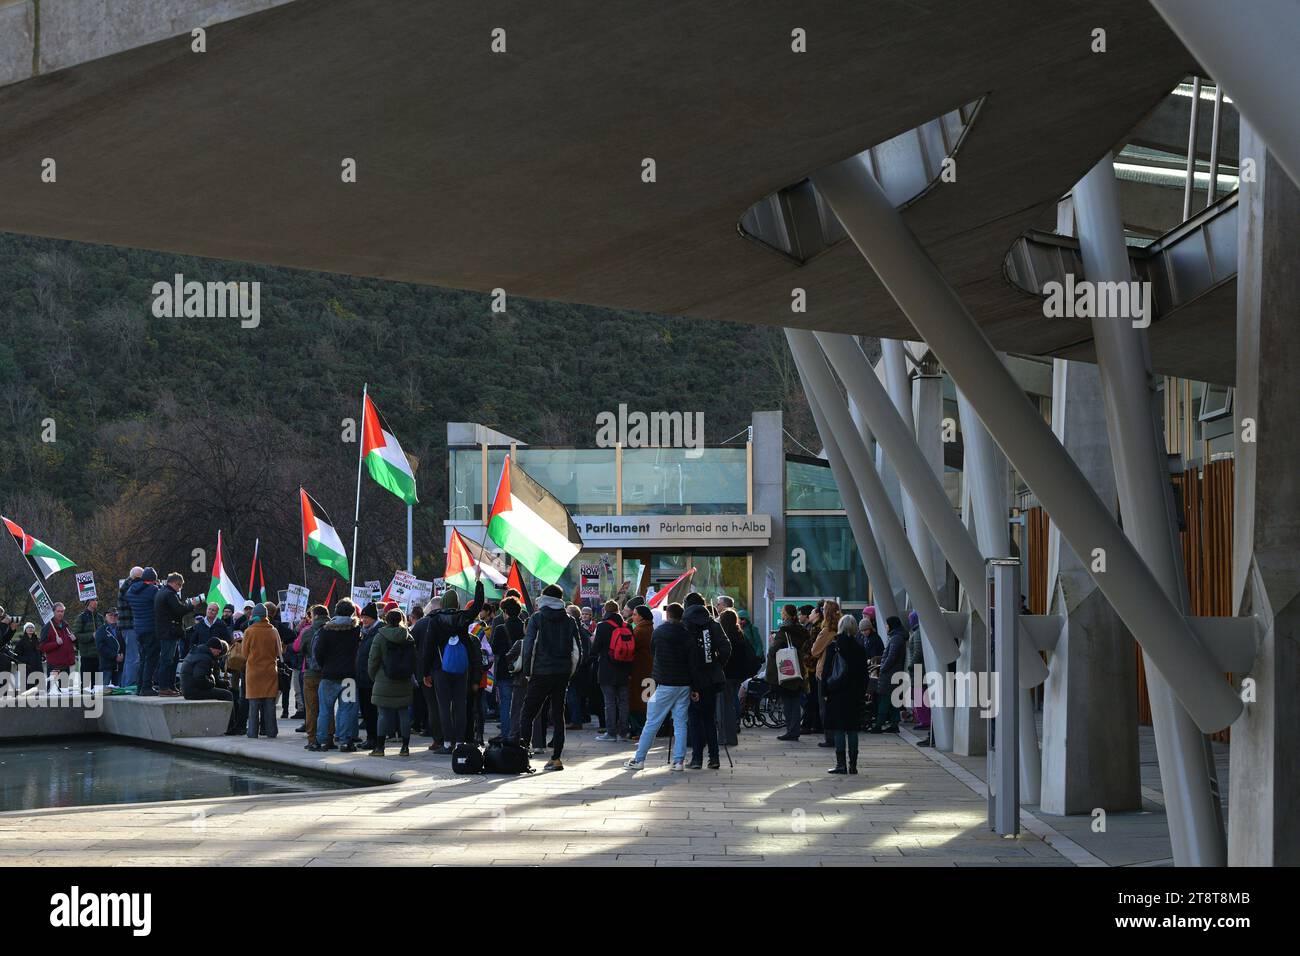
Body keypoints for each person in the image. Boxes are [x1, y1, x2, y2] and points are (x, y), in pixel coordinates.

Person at [513, 584, 583, 772]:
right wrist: (570, 672)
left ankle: (522, 755)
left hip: (540, 673)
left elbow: (529, 647)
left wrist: (527, 672)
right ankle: (556, 758)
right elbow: (577, 650)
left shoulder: (537, 618)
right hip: (561, 674)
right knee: (558, 715)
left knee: (528, 713)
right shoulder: (569, 620)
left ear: (544, 599)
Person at [624, 602, 695, 772]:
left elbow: (654, 652)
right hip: (684, 683)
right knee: (680, 723)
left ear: (668, 615)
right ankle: (679, 761)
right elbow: (692, 660)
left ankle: (639, 759)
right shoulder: (687, 633)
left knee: (652, 723)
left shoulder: (659, 632)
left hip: (665, 682)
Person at [419, 581, 485, 755]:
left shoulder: (434, 620)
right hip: (461, 668)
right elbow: (477, 606)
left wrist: (425, 672)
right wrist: (479, 584)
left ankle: (447, 743)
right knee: (460, 705)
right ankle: (461, 741)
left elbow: (428, 647)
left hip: (440, 669)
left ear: (442, 603)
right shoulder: (463, 618)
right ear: (457, 604)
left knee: (443, 706)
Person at [683, 592, 730, 770]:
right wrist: (717, 665)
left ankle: (696, 759)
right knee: (709, 719)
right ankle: (714, 757)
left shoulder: (685, 624)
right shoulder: (713, 624)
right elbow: (726, 647)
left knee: (694, 719)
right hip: (711, 678)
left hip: (691, 678)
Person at [311, 599, 361, 752]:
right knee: (347, 709)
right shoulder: (356, 630)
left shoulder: (325, 630)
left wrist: (324, 665)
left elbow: (317, 652)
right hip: (349, 677)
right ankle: (345, 742)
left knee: (325, 710)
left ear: (336, 611)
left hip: (328, 675)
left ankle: (321, 741)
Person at [823, 614, 869, 774]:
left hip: (837, 693)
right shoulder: (860, 648)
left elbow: (826, 671)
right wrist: (862, 692)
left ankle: (841, 764)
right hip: (854, 695)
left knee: (839, 729)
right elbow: (865, 675)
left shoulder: (834, 646)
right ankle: (853, 765)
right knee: (852, 729)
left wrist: (825, 692)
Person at [368, 608, 416, 756]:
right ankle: (405, 748)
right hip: (404, 680)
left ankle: (380, 748)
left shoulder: (380, 636)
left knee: (382, 714)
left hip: (384, 679)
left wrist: (374, 677)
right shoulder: (408, 637)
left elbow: (373, 660)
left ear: (386, 620)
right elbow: (414, 659)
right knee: (403, 714)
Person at [153, 571, 201, 697]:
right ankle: (164, 687)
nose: (180, 588)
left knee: (173, 659)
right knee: (167, 660)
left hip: (167, 631)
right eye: (179, 585)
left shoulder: (162, 592)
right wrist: (192, 605)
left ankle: (170, 685)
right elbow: (179, 610)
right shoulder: (169, 594)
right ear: (174, 583)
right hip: (169, 632)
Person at [591, 600, 633, 742]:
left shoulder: (602, 626)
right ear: (618, 611)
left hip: (607, 669)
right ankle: (623, 733)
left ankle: (611, 733)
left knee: (609, 702)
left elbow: (595, 649)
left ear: (605, 611)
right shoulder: (627, 626)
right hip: (625, 669)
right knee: (624, 702)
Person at [767, 603, 810, 741]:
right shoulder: (802, 630)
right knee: (795, 701)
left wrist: (773, 642)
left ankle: (791, 731)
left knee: (788, 702)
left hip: (786, 669)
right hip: (798, 668)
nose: (781, 614)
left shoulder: (784, 631)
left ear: (786, 614)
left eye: (783, 612)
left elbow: (773, 651)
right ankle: (795, 730)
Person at [241, 603, 282, 739]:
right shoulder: (273, 630)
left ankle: (252, 732)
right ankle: (271, 732)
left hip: (253, 671)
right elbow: (279, 652)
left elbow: (244, 653)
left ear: (254, 615)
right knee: (270, 704)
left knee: (253, 705)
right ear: (266, 616)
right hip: (270, 671)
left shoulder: (249, 631)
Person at [297, 605, 333, 749]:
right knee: (328, 707)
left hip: (311, 673)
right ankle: (329, 738)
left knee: (312, 709)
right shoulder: (333, 629)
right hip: (329, 673)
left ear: (315, 616)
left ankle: (312, 739)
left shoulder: (308, 631)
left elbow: (298, 648)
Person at [809, 600, 842, 748]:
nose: (820, 610)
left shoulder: (826, 630)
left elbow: (815, 651)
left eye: (823, 609)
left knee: (824, 707)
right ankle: (836, 736)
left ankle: (830, 738)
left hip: (824, 671)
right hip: (838, 672)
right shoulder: (841, 628)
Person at [719, 607, 754, 745]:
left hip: (726, 675)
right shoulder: (740, 635)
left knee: (724, 707)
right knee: (732, 702)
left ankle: (726, 737)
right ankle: (733, 731)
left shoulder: (724, 636)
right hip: (739, 675)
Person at [491, 596, 524, 739]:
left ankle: (506, 735)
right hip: (522, 670)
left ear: (505, 612)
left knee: (505, 704)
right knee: (520, 705)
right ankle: (519, 734)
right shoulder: (525, 626)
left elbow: (494, 649)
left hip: (505, 671)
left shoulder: (500, 629)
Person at [127, 567, 161, 695]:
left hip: (138, 629)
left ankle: (140, 686)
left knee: (143, 659)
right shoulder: (153, 590)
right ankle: (147, 686)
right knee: (151, 659)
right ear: (153, 580)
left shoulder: (131, 590)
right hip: (151, 628)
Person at [874, 615, 908, 734]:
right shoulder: (897, 637)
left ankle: (879, 724)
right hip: (894, 673)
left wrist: (882, 668)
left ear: (892, 625)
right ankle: (894, 724)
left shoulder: (896, 638)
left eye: (887, 624)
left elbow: (891, 657)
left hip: (890, 674)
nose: (886, 627)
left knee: (884, 699)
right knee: (893, 700)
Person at [355, 603, 381, 751]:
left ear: (373, 618)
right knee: (366, 710)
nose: (363, 620)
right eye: (362, 617)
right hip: (364, 677)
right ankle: (371, 737)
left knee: (371, 711)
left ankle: (374, 738)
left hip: (371, 678)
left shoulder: (377, 631)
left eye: (366, 617)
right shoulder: (366, 631)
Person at [626, 604, 654, 739]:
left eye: (635, 614)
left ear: (641, 617)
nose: (633, 616)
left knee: (638, 701)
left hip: (640, 671)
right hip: (650, 671)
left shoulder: (640, 631)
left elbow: (631, 648)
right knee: (647, 700)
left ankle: (639, 730)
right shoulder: (650, 628)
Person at [180, 636, 234, 702]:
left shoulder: (198, 652)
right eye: (218, 651)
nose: (218, 654)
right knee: (228, 695)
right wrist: (212, 683)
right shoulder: (205, 658)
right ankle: (229, 712)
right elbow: (199, 678)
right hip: (193, 692)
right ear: (212, 648)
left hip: (189, 689)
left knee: (222, 692)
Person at [39, 603, 77, 688]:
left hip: (66, 665)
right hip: (54, 666)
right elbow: (42, 647)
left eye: (62, 611)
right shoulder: (47, 627)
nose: (60, 613)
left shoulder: (66, 626)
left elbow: (69, 645)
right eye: (58, 611)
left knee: (64, 692)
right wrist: (56, 644)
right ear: (53, 612)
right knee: (52, 692)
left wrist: (74, 640)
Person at [116, 567, 141, 688]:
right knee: (134, 657)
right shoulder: (130, 588)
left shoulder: (126, 587)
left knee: (130, 657)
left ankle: (126, 683)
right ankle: (130, 683)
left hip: (127, 627)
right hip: (130, 626)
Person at [73, 598, 105, 684]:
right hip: (87, 656)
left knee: (98, 685)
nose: (96, 602)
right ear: (88, 602)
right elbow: (76, 635)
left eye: (96, 600)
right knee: (86, 685)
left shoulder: (100, 617)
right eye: (93, 600)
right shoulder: (81, 618)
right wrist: (91, 636)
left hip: (99, 656)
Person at [94, 608, 123, 686]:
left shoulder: (121, 629)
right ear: (105, 617)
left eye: (115, 615)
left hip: (119, 666)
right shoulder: (101, 630)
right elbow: (100, 647)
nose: (113, 617)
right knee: (102, 691)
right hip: (106, 666)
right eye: (110, 615)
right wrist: (114, 656)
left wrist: (122, 655)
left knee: (119, 691)